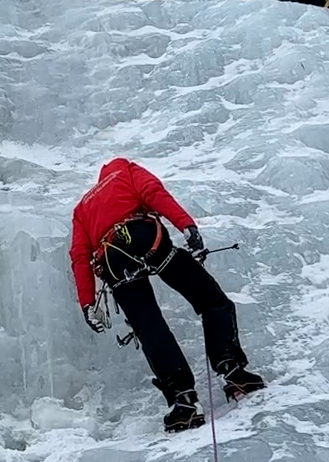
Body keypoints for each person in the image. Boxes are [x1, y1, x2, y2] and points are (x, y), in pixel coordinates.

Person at [69, 158, 266, 431]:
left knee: (149, 327)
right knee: (210, 299)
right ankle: (231, 369)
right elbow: (154, 193)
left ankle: (183, 400)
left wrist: (87, 303)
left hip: (113, 259)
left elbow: (79, 256)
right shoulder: (127, 171)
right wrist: (187, 226)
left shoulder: (82, 208)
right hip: (144, 238)